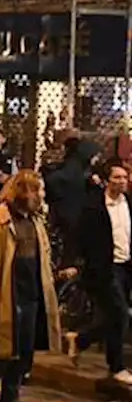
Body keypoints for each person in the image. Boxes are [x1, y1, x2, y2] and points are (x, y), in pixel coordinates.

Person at [0, 171, 62, 402]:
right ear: (26, 192)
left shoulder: (35, 220)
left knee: (23, 352)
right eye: (38, 190)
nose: (42, 195)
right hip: (5, 293)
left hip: (30, 294)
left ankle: (11, 400)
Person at [71, 161, 132, 384]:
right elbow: (82, 237)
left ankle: (81, 340)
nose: (122, 181)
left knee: (114, 317)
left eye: (125, 177)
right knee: (120, 314)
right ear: (106, 181)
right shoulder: (94, 207)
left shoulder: (129, 204)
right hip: (106, 268)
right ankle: (116, 365)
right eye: (117, 177)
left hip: (126, 266)